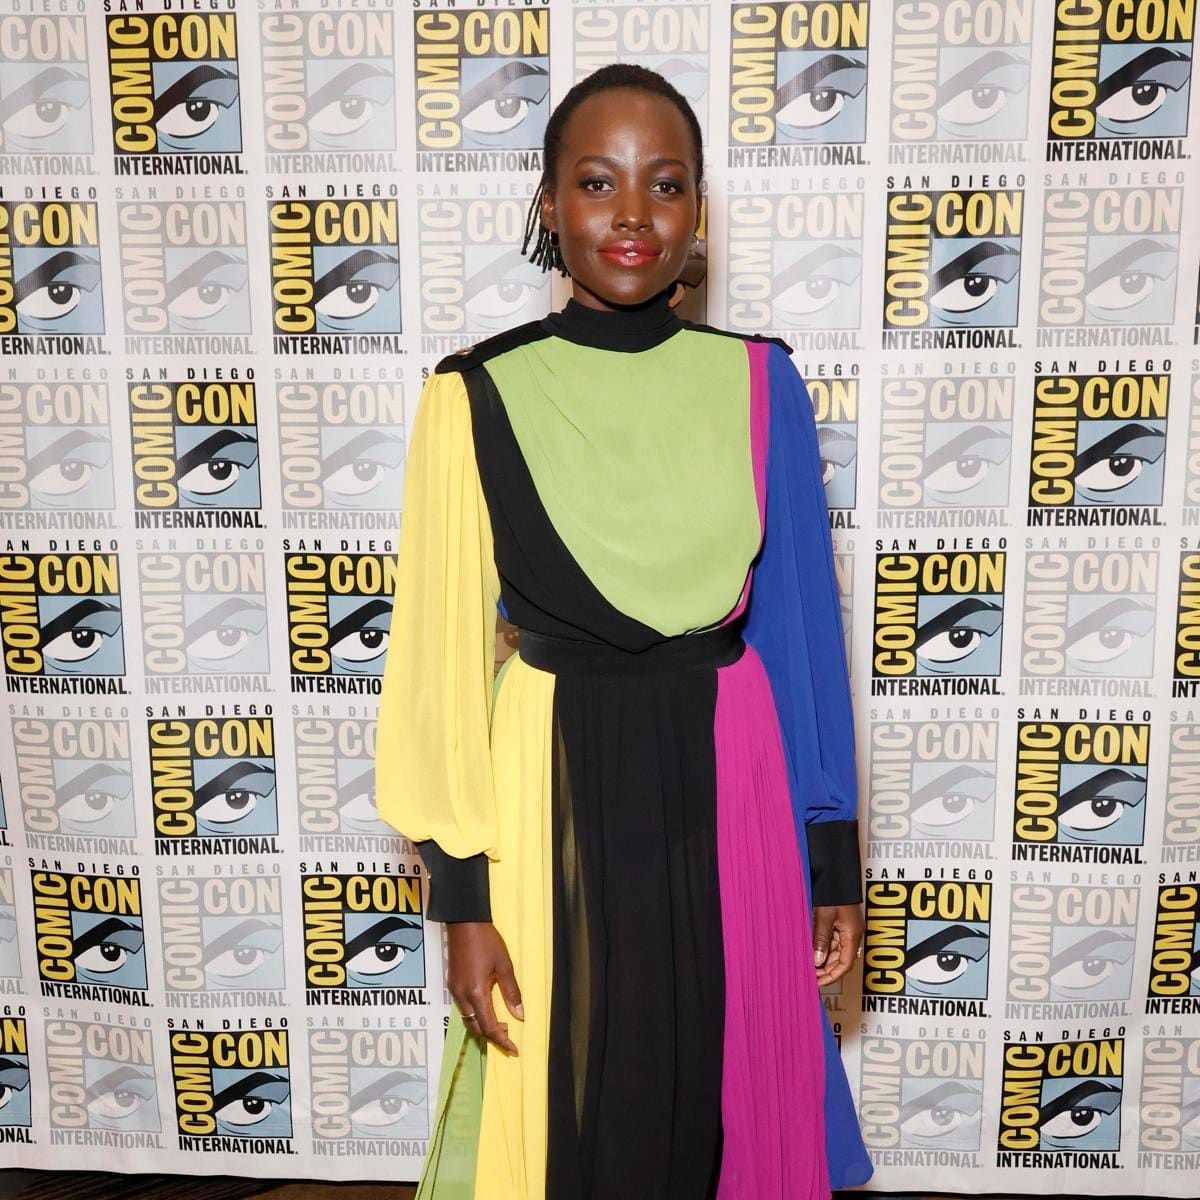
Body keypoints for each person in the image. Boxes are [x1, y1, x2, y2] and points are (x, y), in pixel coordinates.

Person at [376, 63, 873, 1200]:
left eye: (667, 183)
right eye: (598, 182)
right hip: (550, 790)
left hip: (733, 775)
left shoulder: (762, 383)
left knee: (729, 1096)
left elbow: (799, 636)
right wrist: (463, 903)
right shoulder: (473, 395)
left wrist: (829, 856)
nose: (634, 213)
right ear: (549, 205)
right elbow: (439, 671)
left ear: (698, 212)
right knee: (571, 1111)